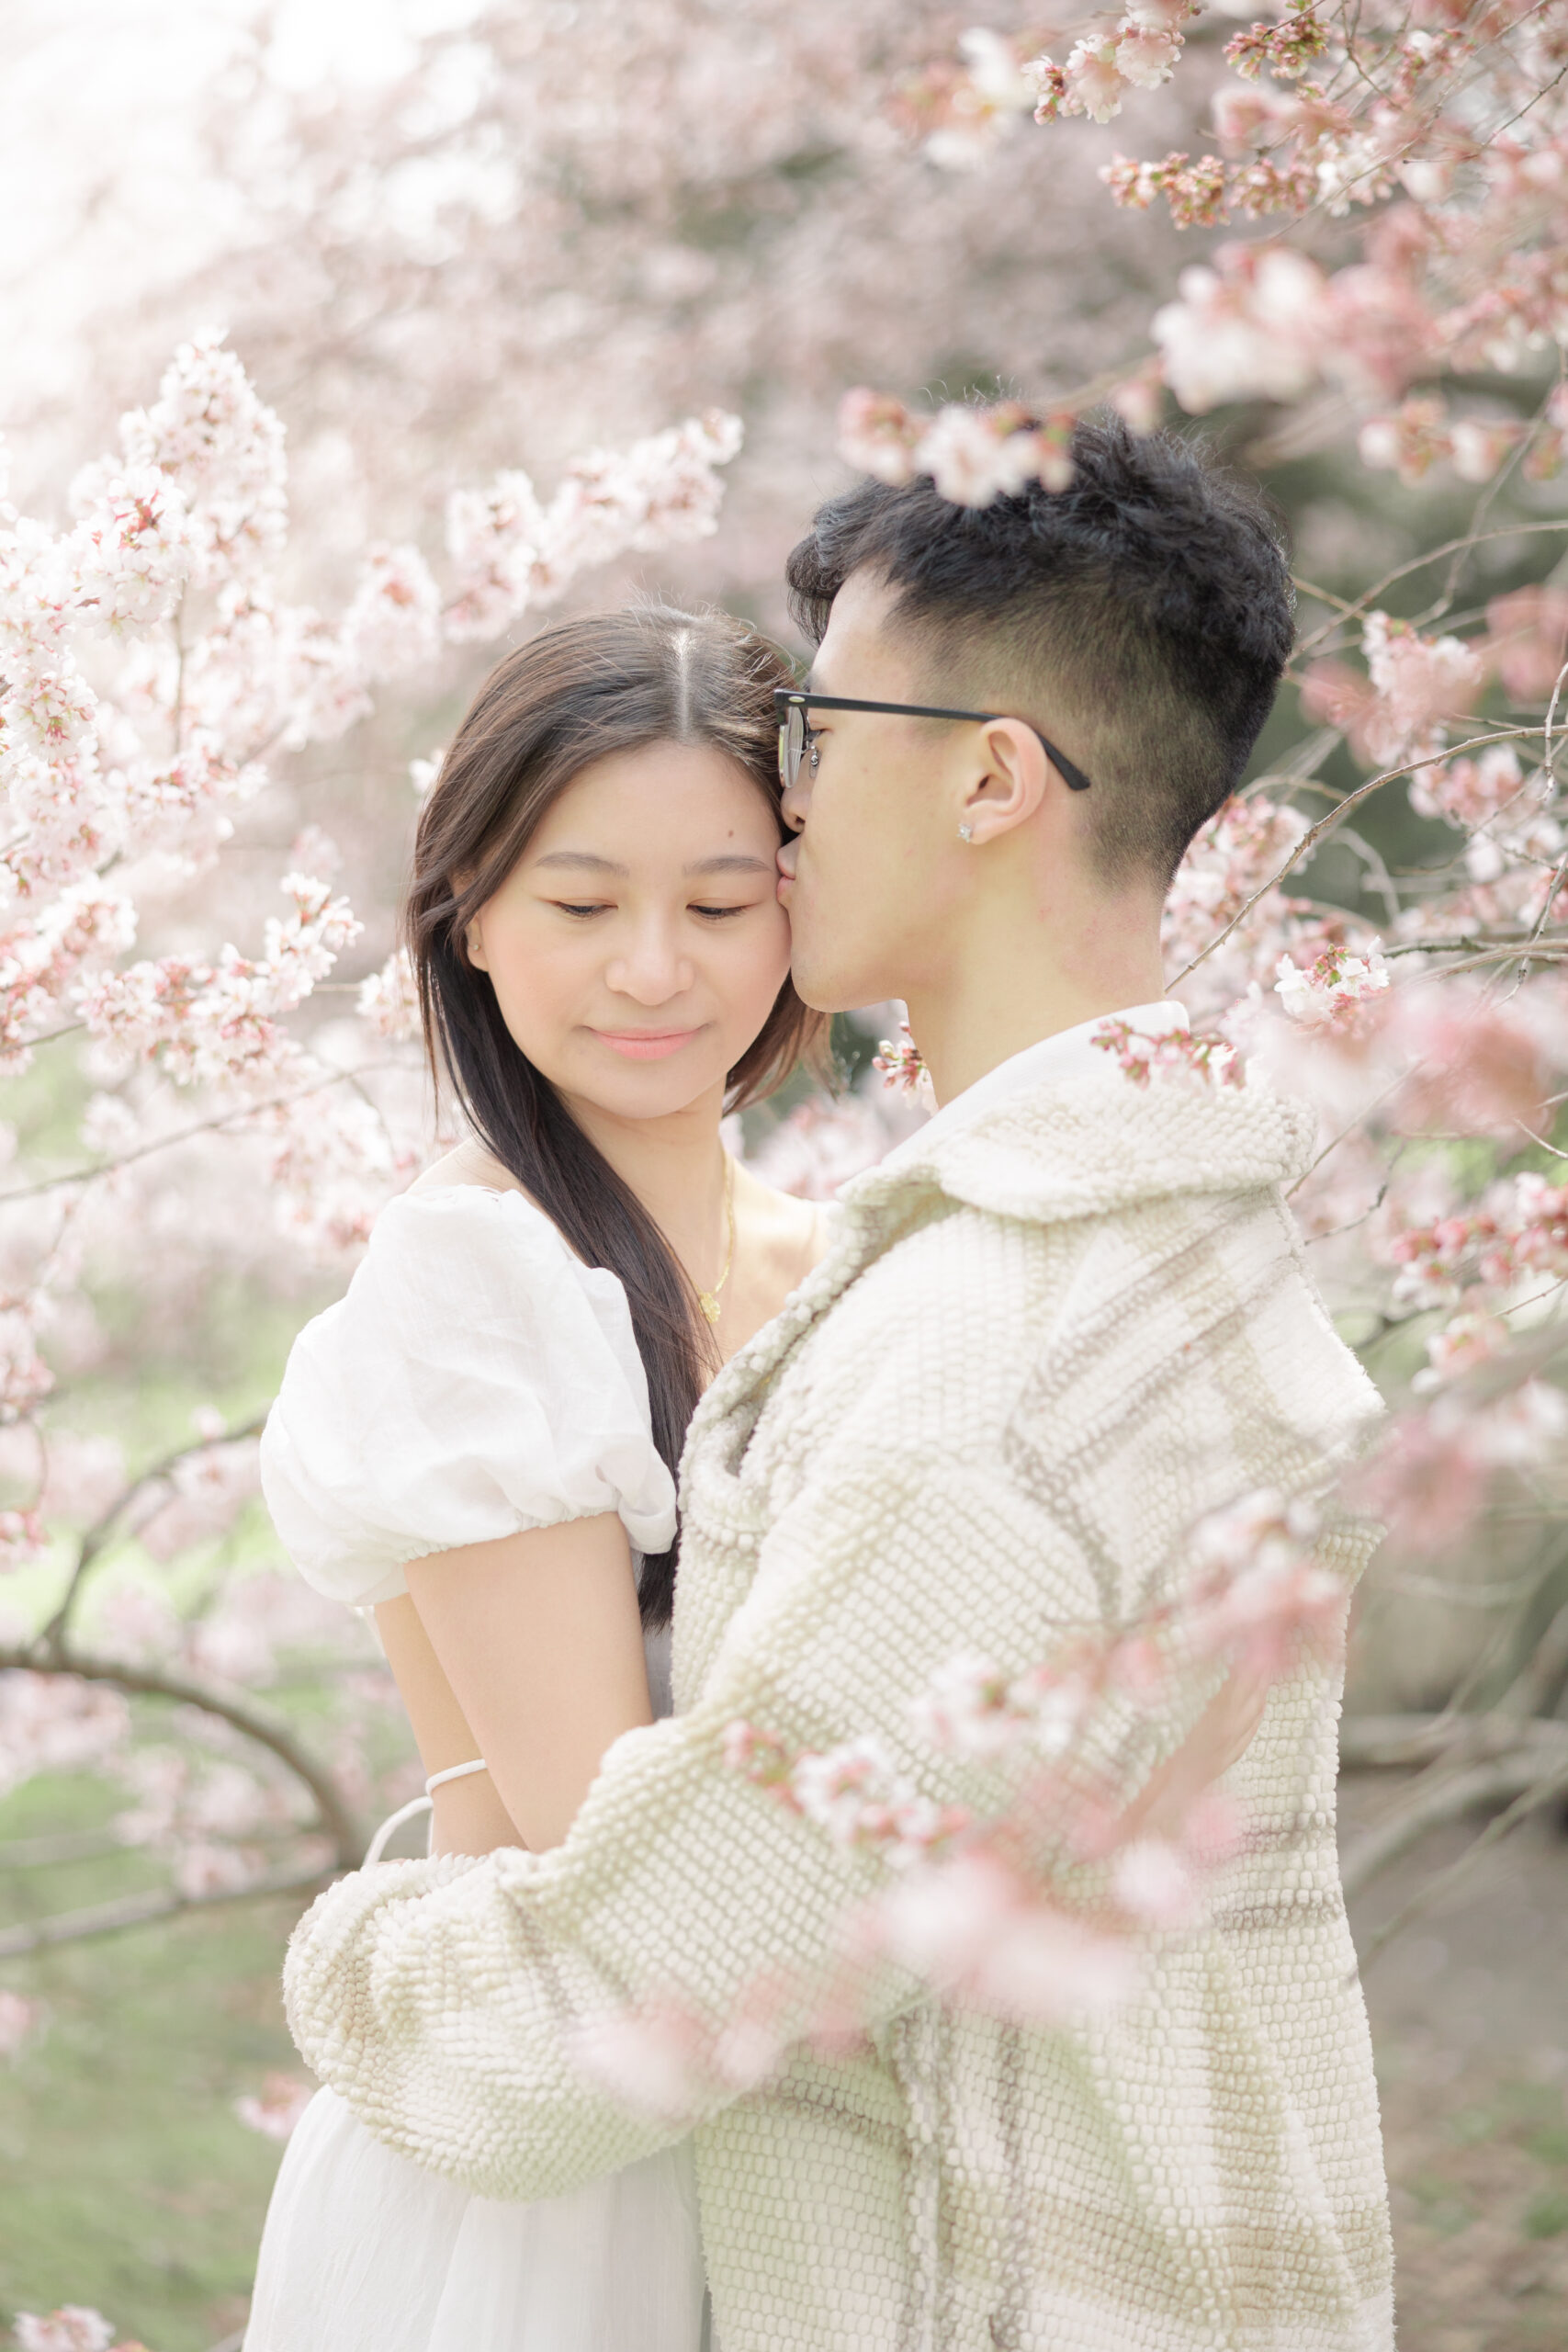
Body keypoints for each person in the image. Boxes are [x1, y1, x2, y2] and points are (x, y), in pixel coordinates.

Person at [282, 417, 1396, 2351]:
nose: (788, 797)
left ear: (983, 777)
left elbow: (642, 1977)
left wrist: (347, 1953)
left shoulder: (988, 1343)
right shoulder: (1184, 1250)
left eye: (821, 732)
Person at [243, 603, 830, 2352]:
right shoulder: (475, 1280)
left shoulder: (851, 1251)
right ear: (471, 917)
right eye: (583, 906)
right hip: (563, 2166)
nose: (657, 969)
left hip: (801, 2124)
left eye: (723, 903)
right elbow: (605, 1829)